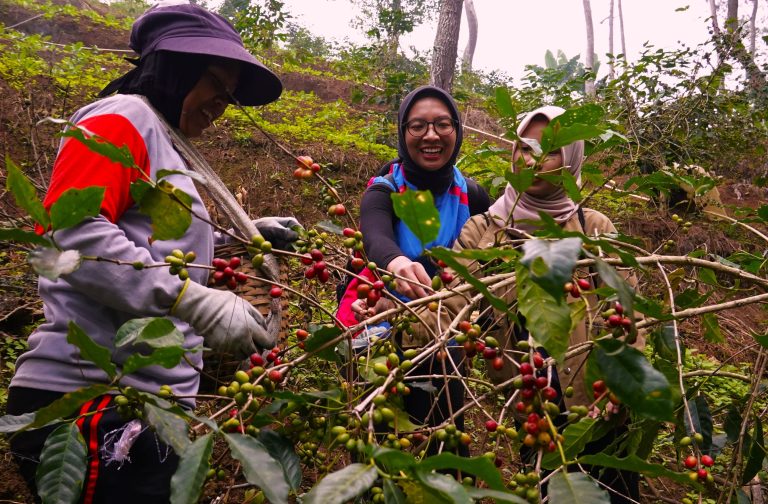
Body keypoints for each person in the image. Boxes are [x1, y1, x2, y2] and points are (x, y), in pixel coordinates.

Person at [7, 4, 297, 502]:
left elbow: (146, 246)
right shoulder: (122, 117)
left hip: (146, 406)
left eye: (229, 96)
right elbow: (67, 235)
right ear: (175, 67)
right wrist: (192, 300)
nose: (220, 105)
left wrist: (235, 242)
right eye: (214, 85)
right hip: (92, 401)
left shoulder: (167, 142)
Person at [408, 105, 643, 502]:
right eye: (523, 146)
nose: (530, 158)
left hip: (598, 408)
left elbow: (627, 312)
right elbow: (451, 305)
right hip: (532, 407)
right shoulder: (484, 231)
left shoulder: (594, 229)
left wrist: (622, 381)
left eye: (548, 150)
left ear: (569, 162)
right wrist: (403, 322)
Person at [336, 85, 490, 453]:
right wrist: (397, 262)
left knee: (444, 442)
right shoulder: (385, 189)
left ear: (457, 130)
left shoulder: (473, 195)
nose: (431, 135)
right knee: (377, 447)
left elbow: (498, 251)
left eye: (442, 124)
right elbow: (375, 236)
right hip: (377, 328)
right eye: (418, 126)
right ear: (404, 134)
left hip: (441, 336)